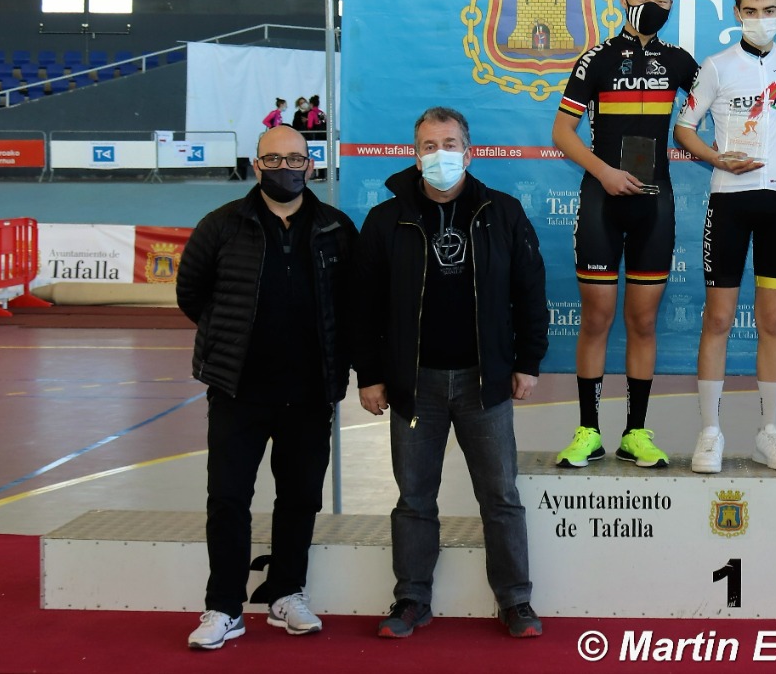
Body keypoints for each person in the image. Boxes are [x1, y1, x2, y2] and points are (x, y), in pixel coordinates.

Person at [355, 106, 547, 641]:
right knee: (414, 499)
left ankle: (516, 600)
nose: (440, 154)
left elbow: (530, 291)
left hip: (485, 382)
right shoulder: (385, 220)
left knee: (500, 496)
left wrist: (527, 362)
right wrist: (369, 374)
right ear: (415, 156)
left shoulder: (502, 213)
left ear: (469, 152)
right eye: (429, 146)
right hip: (414, 385)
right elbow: (363, 306)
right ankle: (411, 599)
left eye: (449, 144)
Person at [176, 125, 358, 650]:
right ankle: (224, 607)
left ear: (310, 166)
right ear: (257, 166)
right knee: (228, 497)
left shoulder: (336, 228)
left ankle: (286, 594)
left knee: (299, 498)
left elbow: (352, 304)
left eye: (295, 159)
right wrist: (230, 338)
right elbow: (191, 293)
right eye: (273, 159)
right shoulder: (221, 225)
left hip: (309, 393)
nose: (285, 168)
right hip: (237, 391)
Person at [549, 0, 699, 469]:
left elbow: (730, 91)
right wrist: (605, 172)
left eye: (662, 1)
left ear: (671, 5)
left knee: (643, 321)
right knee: (596, 318)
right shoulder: (596, 58)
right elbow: (562, 132)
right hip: (602, 200)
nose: (652, 7)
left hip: (655, 205)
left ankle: (635, 432)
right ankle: (588, 431)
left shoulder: (679, 61)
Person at [673, 0, 776, 472]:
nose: (759, 19)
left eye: (768, 11)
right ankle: (710, 433)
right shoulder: (716, 65)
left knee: (772, 321)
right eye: (750, 11)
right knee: (719, 319)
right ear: (736, 13)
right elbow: (684, 127)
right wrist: (716, 158)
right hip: (729, 201)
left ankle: (769, 432)